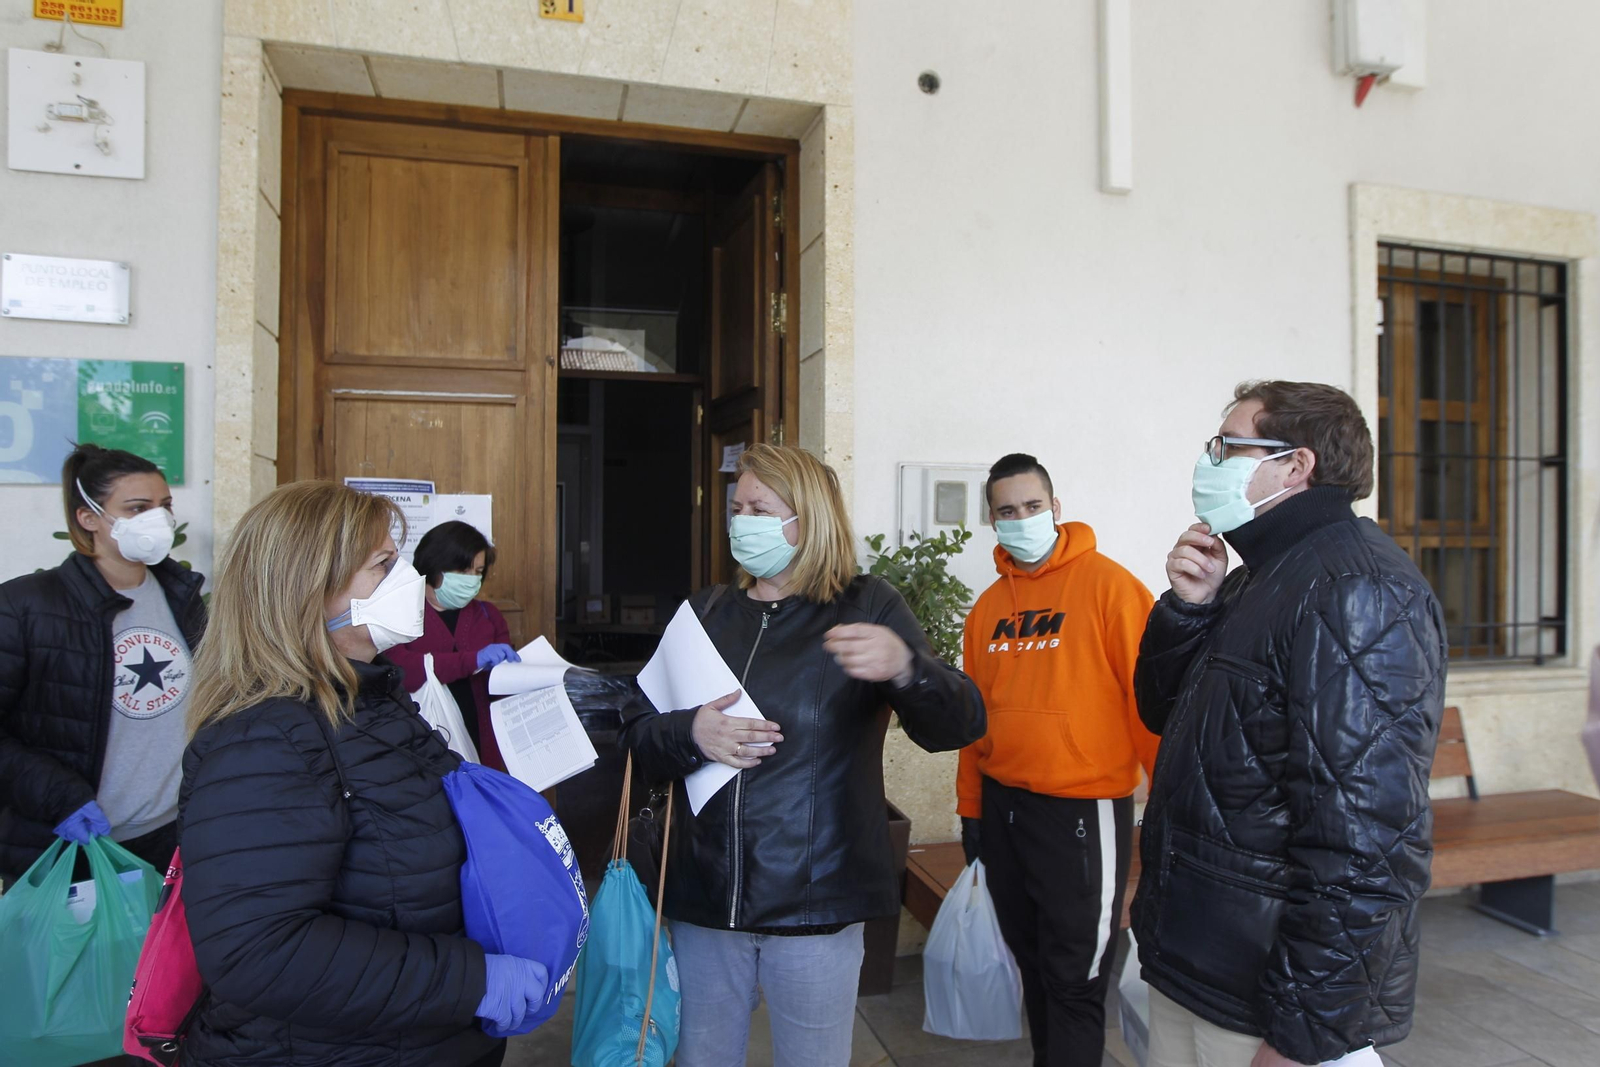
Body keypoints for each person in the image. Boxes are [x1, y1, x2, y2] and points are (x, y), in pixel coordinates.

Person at [623, 444, 986, 1067]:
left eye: (760, 507)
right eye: (738, 507)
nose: (742, 521)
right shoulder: (707, 612)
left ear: (807, 518)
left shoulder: (867, 604)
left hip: (815, 899)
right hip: (707, 895)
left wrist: (907, 668)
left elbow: (958, 723)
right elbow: (636, 730)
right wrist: (691, 733)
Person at [1132, 381, 1448, 1067]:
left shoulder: (1358, 590)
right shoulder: (1260, 575)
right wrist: (1188, 609)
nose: (1208, 460)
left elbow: (1368, 846)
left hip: (1264, 1002)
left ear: (1296, 465)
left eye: (1226, 445)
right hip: (1196, 967)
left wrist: (1303, 1032)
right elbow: (1166, 715)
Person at [178, 481, 546, 1067]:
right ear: (310, 591)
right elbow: (259, 951)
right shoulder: (266, 741)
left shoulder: (371, 699)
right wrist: (470, 981)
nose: (406, 579)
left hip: (421, 1040)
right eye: (384, 564)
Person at [956, 452, 1159, 1067]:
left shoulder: (1112, 589)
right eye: (1007, 511)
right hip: (1004, 810)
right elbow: (973, 721)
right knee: (1034, 964)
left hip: (1082, 812)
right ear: (993, 521)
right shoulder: (988, 609)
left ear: (1057, 509)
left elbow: (1150, 705)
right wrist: (971, 810)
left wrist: (1172, 808)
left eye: (1033, 507)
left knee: (1076, 977)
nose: (1022, 519)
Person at [0, 443, 205, 885]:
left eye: (164, 506)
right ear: (88, 517)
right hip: (72, 844)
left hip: (173, 837)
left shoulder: (182, 599)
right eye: (137, 508)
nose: (159, 520)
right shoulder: (26, 606)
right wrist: (59, 798)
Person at [389, 520, 519, 770]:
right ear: (434, 566)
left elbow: (503, 684)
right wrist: (472, 661)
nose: (472, 580)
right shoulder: (401, 614)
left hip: (486, 745)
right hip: (424, 747)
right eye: (463, 571)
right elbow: (403, 672)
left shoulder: (488, 615)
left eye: (478, 571)